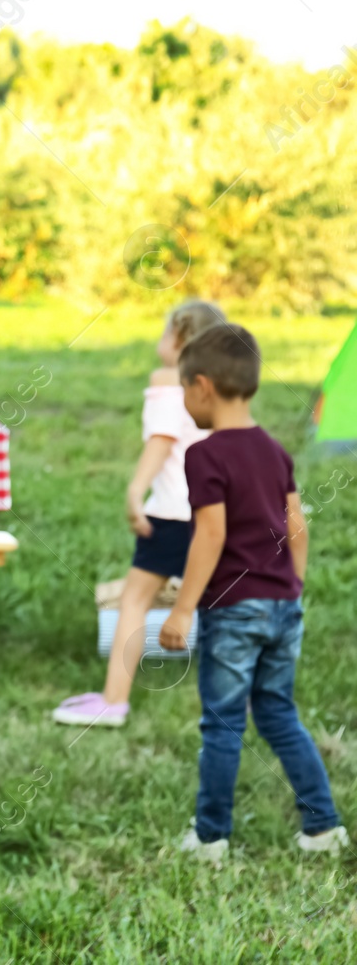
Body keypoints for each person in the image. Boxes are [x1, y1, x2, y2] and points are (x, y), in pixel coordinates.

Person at [157, 324, 347, 862]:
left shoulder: (205, 456)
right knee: (279, 714)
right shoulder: (274, 450)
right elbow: (297, 528)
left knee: (222, 722)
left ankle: (211, 837)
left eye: (183, 391)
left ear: (203, 387)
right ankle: (323, 827)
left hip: (234, 611)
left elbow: (211, 536)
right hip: (284, 606)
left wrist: (182, 609)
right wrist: (292, 588)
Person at [53, 300, 226, 727]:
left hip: (170, 514)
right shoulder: (219, 388)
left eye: (164, 331)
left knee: (135, 599)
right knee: (219, 605)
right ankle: (237, 702)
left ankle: (114, 701)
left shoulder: (167, 379)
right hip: (213, 516)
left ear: (180, 338)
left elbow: (162, 439)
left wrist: (135, 489)